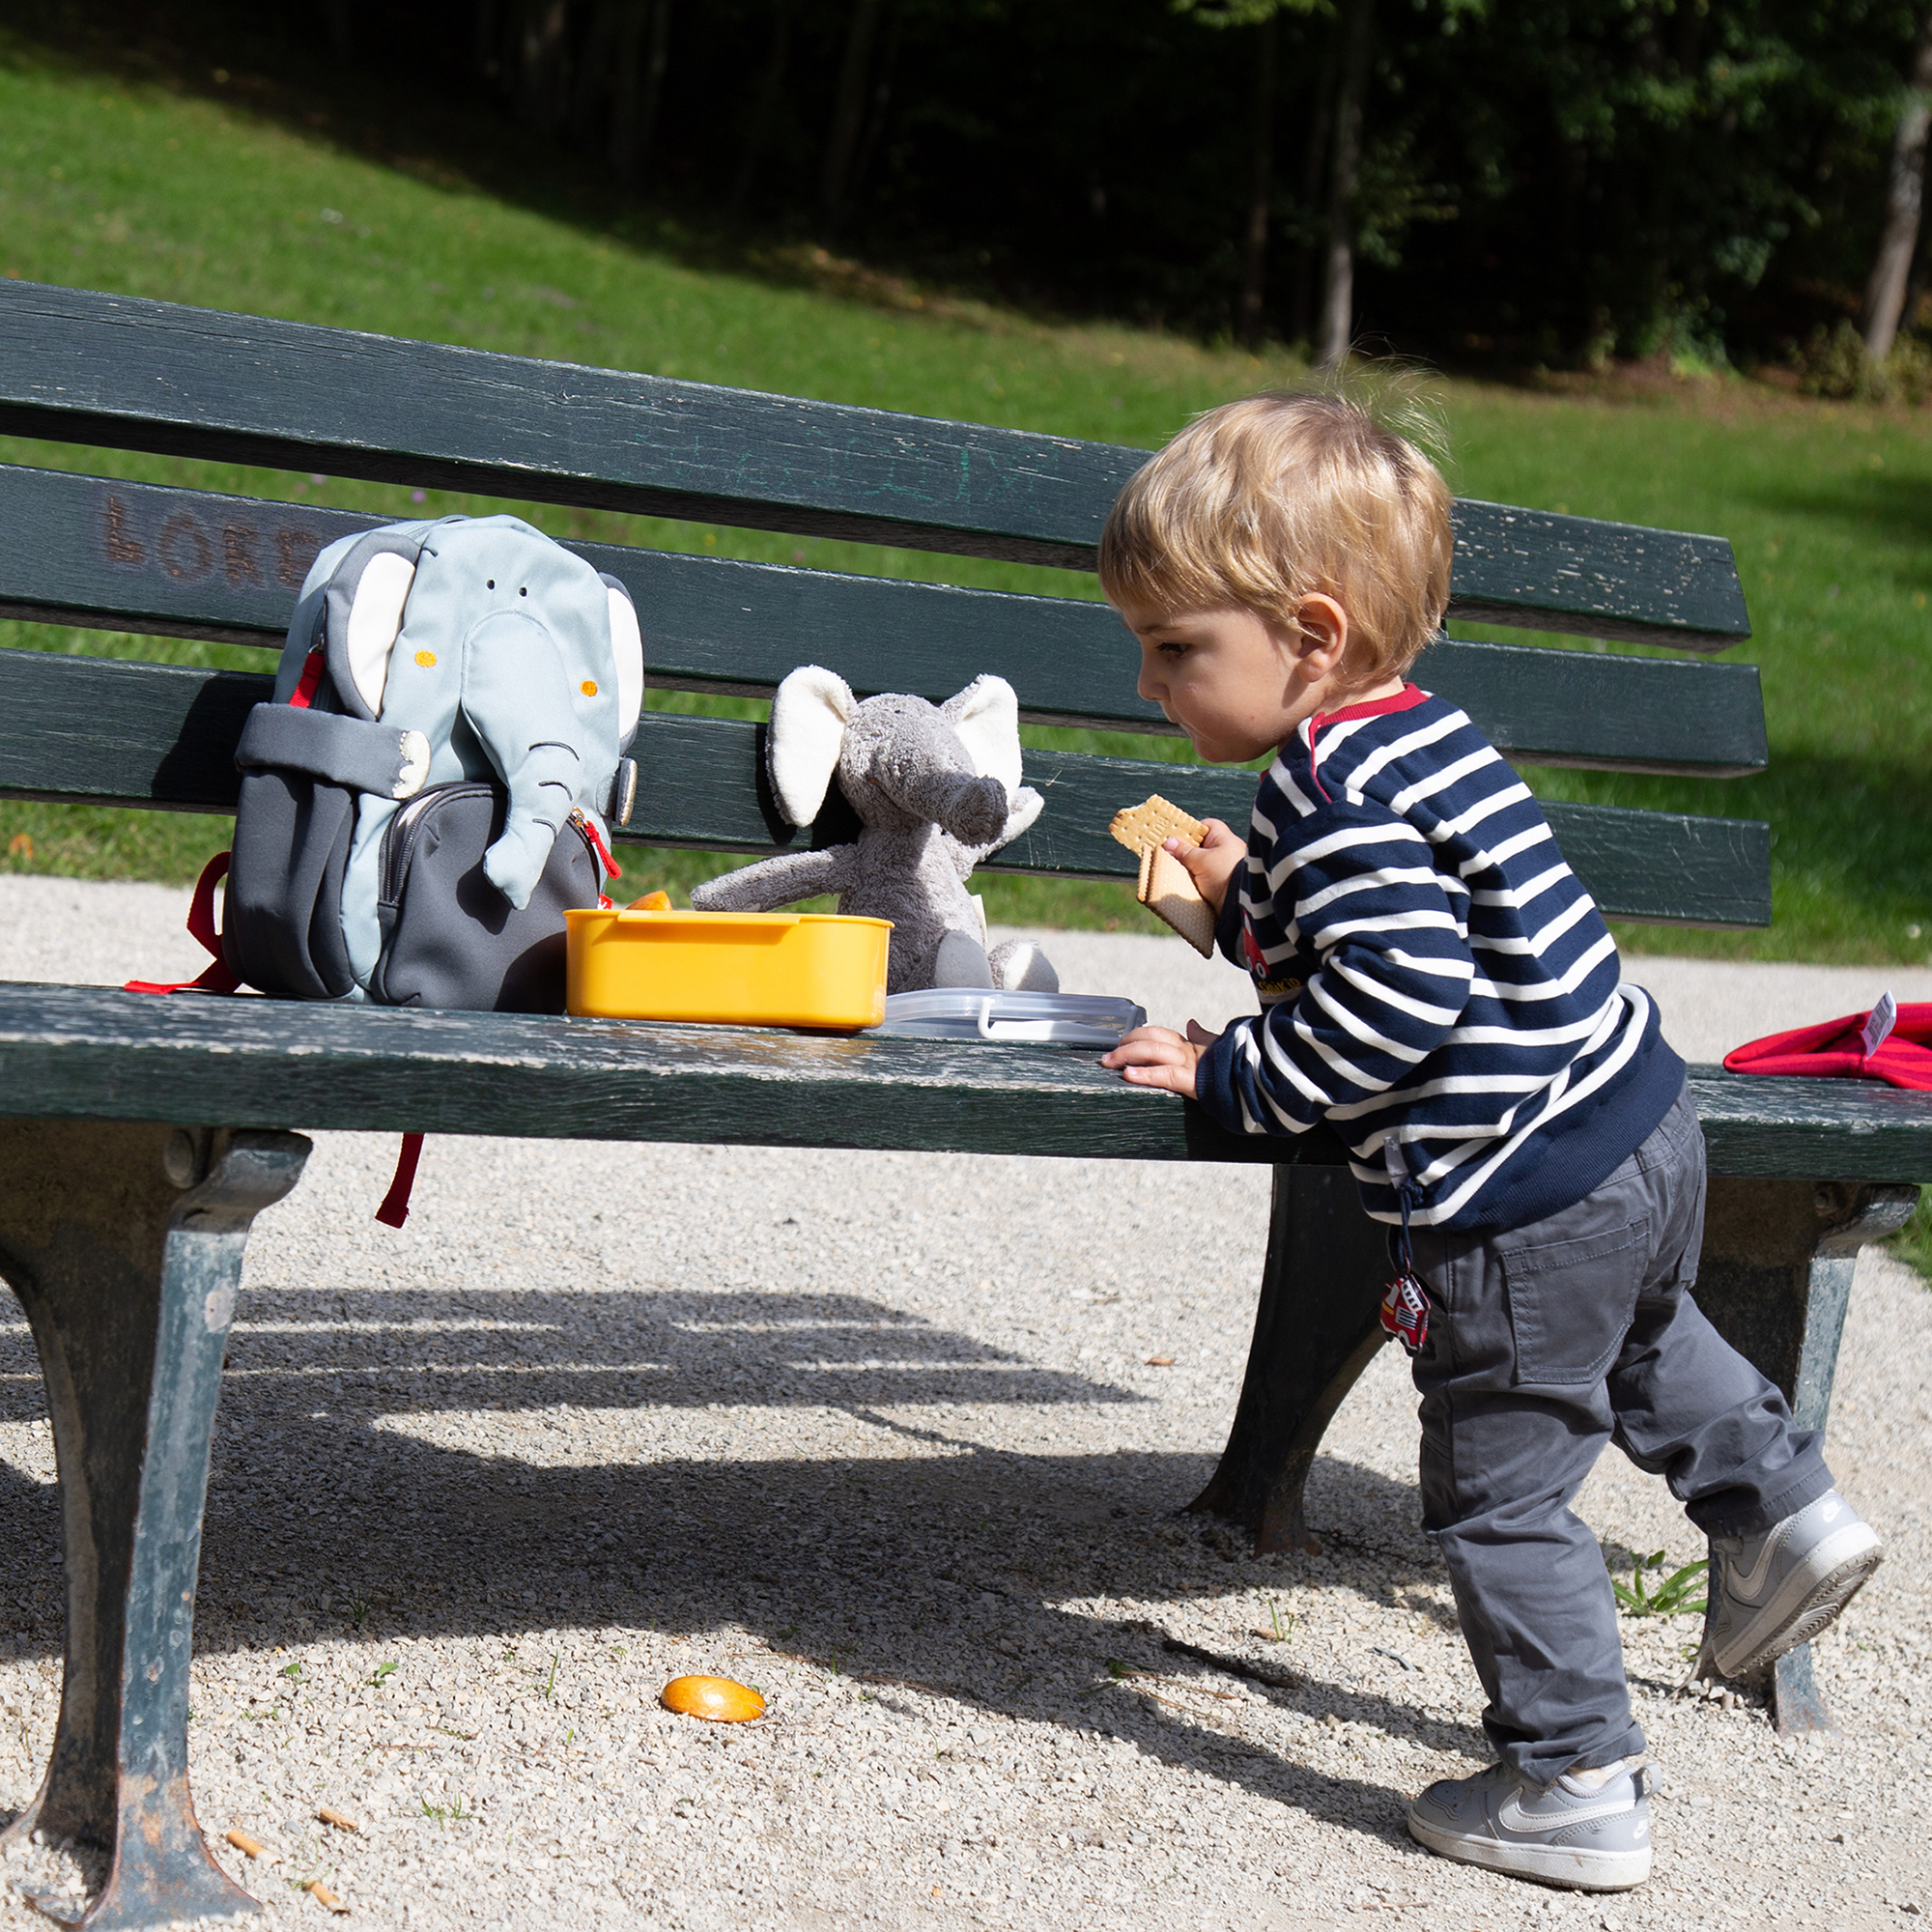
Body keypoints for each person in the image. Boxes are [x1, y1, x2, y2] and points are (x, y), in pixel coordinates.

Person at [1096, 390, 1882, 1893]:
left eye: (1178, 648)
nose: (1150, 683)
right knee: (1645, 1335)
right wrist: (1236, 901)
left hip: (1512, 1193)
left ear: (1310, 637)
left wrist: (1229, 1074)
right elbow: (1404, 924)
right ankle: (1786, 1511)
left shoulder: (1326, 796)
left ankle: (1572, 1776)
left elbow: (1390, 1002)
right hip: (1631, 1128)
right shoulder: (1411, 739)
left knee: (1500, 1491)